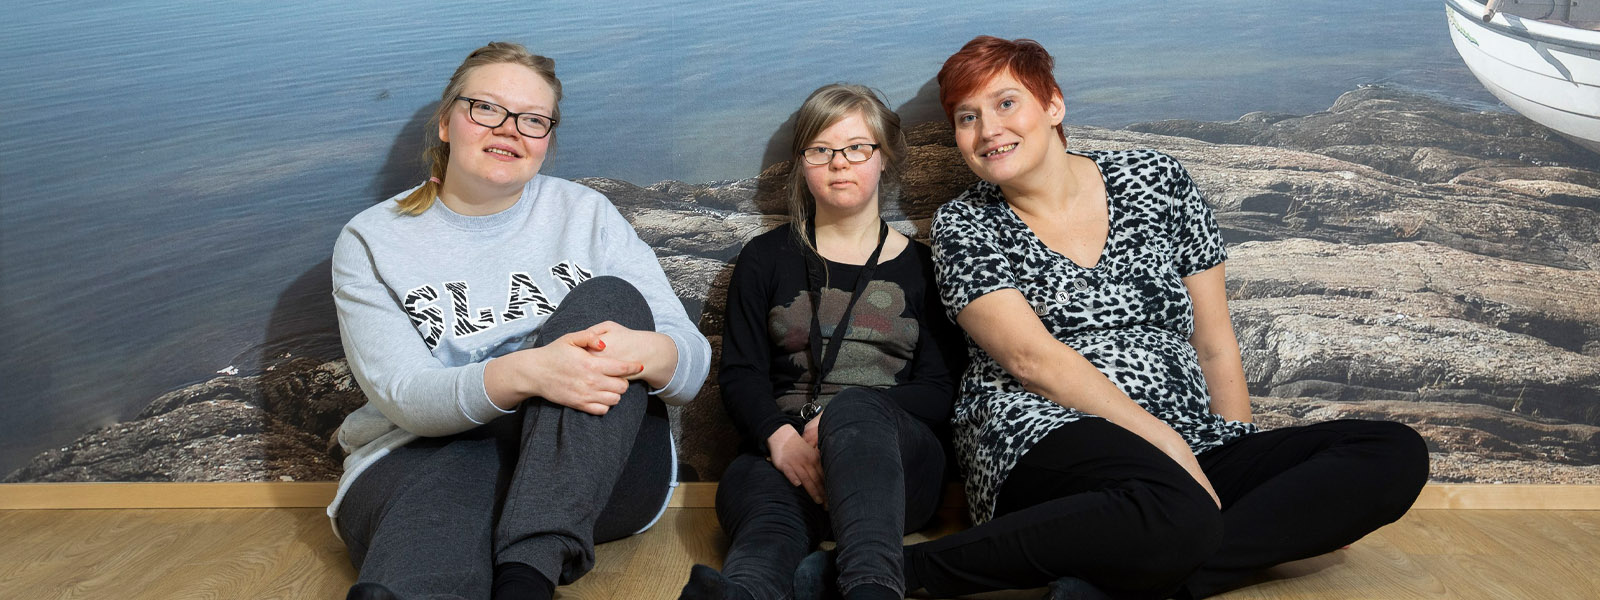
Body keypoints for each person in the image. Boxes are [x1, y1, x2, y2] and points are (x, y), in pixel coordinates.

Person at [900, 36, 1430, 600]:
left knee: (1392, 452)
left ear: (1053, 104)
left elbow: (1214, 342)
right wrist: (1183, 457)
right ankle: (903, 571)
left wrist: (1234, 450)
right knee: (1176, 506)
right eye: (967, 117)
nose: (987, 130)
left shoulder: (1157, 179)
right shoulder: (965, 224)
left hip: (1188, 438)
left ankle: (1146, 578)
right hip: (1041, 432)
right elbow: (1032, 361)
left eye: (1006, 103)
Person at [327, 41, 710, 600]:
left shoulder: (586, 214)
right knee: (462, 466)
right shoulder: (371, 239)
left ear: (547, 138)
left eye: (533, 119)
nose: (509, 129)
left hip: (595, 465)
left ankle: (517, 565)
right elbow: (407, 397)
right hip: (418, 458)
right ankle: (522, 579)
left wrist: (637, 351)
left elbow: (691, 366)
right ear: (446, 122)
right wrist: (532, 372)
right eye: (486, 108)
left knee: (610, 299)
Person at [679, 84, 963, 600]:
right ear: (802, 163)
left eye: (857, 147)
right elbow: (741, 375)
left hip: (897, 467)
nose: (839, 163)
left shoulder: (925, 267)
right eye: (821, 150)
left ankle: (872, 589)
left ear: (885, 157)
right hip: (786, 456)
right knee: (765, 526)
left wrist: (844, 419)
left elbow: (940, 391)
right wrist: (779, 438)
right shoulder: (764, 258)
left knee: (855, 408)